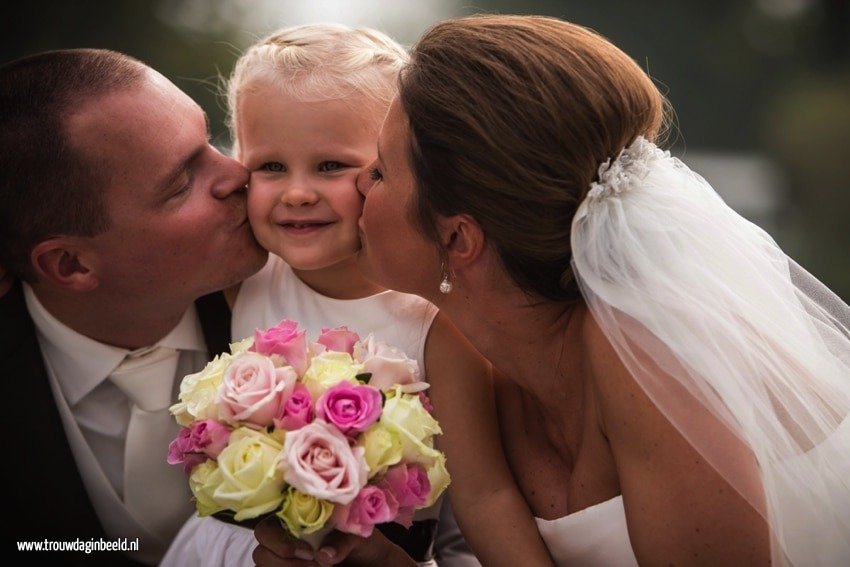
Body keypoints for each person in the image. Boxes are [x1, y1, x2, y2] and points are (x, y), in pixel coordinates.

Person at [255, 14, 850, 566]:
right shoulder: (475, 365)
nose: (357, 184)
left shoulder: (648, 359)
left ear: (458, 239)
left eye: (380, 171)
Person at [162, 23, 552, 567]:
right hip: (234, 548)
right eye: (270, 166)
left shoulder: (436, 322)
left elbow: (484, 492)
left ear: (397, 168)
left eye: (331, 166)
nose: (297, 193)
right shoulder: (245, 275)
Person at [0, 48, 268, 565]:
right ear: (71, 264)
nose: (237, 173)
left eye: (211, 139)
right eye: (181, 182)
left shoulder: (307, 303)